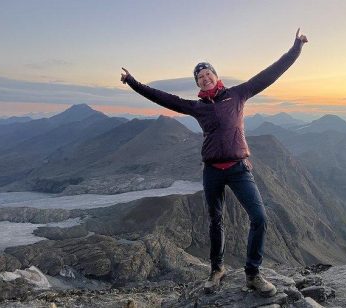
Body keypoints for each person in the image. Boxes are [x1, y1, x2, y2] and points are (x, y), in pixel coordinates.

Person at [121, 28, 308, 297]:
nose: (205, 79)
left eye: (208, 74)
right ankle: (216, 270)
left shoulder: (239, 94)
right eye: (200, 77)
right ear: (197, 84)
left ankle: (253, 274)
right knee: (215, 221)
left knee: (259, 218)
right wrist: (133, 82)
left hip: (239, 168)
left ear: (216, 77)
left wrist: (296, 48)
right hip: (212, 171)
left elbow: (270, 73)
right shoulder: (196, 107)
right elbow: (161, 97)